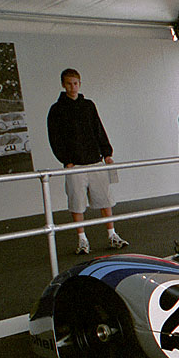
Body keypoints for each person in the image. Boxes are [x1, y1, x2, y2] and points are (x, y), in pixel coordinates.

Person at [46, 68, 128, 254]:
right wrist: (65, 160)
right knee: (77, 203)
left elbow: (98, 128)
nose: (72, 87)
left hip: (95, 160)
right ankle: (82, 240)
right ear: (63, 85)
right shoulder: (57, 109)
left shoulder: (89, 105)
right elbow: (55, 137)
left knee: (105, 200)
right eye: (69, 83)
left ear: (80, 83)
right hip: (75, 165)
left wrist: (107, 152)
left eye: (75, 83)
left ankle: (112, 235)